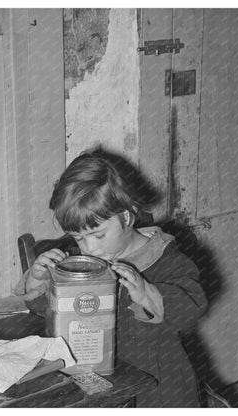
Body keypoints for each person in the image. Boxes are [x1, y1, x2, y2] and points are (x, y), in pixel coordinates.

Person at [15, 149, 208, 407]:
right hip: (94, 379)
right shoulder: (80, 262)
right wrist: (39, 280)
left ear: (126, 217)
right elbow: (46, 311)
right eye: (78, 238)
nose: (89, 248)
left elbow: (192, 307)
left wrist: (147, 293)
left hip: (157, 385)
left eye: (98, 235)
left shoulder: (165, 258)